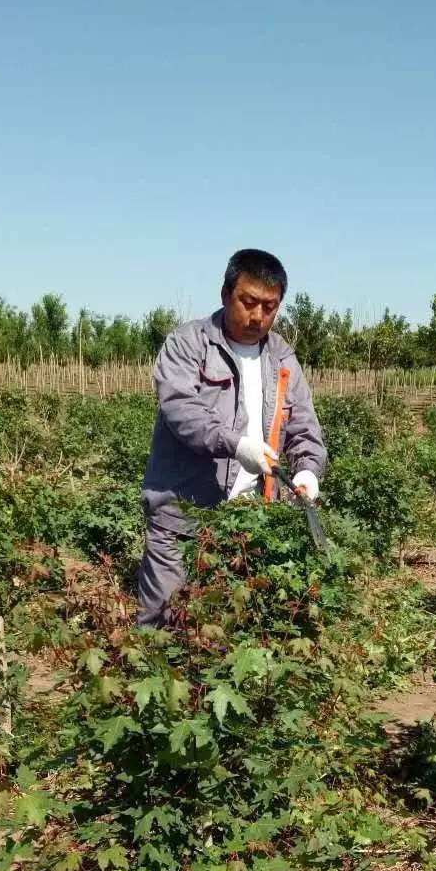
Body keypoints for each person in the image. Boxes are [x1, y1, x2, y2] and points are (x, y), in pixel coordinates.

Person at [137, 248, 327, 627]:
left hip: (248, 522)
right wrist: (236, 444)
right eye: (248, 302)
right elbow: (181, 409)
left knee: (229, 630)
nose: (258, 316)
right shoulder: (188, 344)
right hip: (182, 520)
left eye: (269, 307)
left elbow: (304, 424)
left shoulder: (281, 357)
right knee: (163, 628)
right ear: (225, 294)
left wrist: (308, 470)